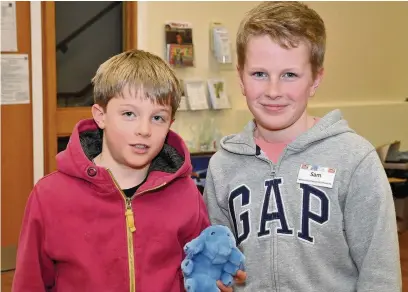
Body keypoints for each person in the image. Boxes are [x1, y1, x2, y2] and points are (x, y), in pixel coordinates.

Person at [203, 1, 401, 291]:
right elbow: (219, 262)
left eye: (290, 75)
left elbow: (380, 275)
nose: (273, 91)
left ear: (316, 79)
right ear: (241, 77)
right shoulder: (223, 166)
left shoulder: (354, 160)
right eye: (259, 74)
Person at [12, 49, 231, 292]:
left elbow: (199, 273)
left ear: (170, 124)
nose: (144, 129)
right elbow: (29, 282)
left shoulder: (186, 193)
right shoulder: (49, 196)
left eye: (158, 118)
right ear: (101, 116)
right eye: (129, 114)